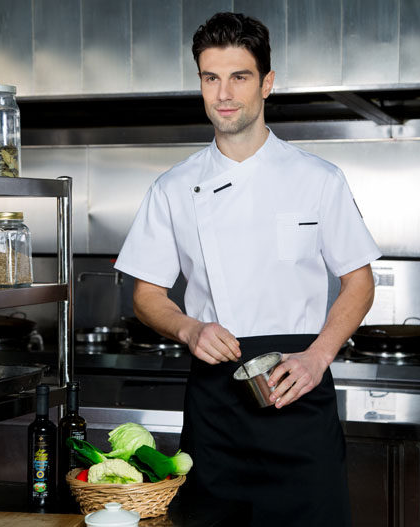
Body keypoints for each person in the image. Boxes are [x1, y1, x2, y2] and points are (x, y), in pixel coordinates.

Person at [114, 12, 381, 526]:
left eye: (239, 77)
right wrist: (189, 328)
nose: (224, 94)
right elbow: (146, 296)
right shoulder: (173, 187)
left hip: (299, 388)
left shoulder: (318, 179)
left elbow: (359, 282)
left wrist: (319, 356)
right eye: (210, 78)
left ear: (267, 83)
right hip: (216, 403)